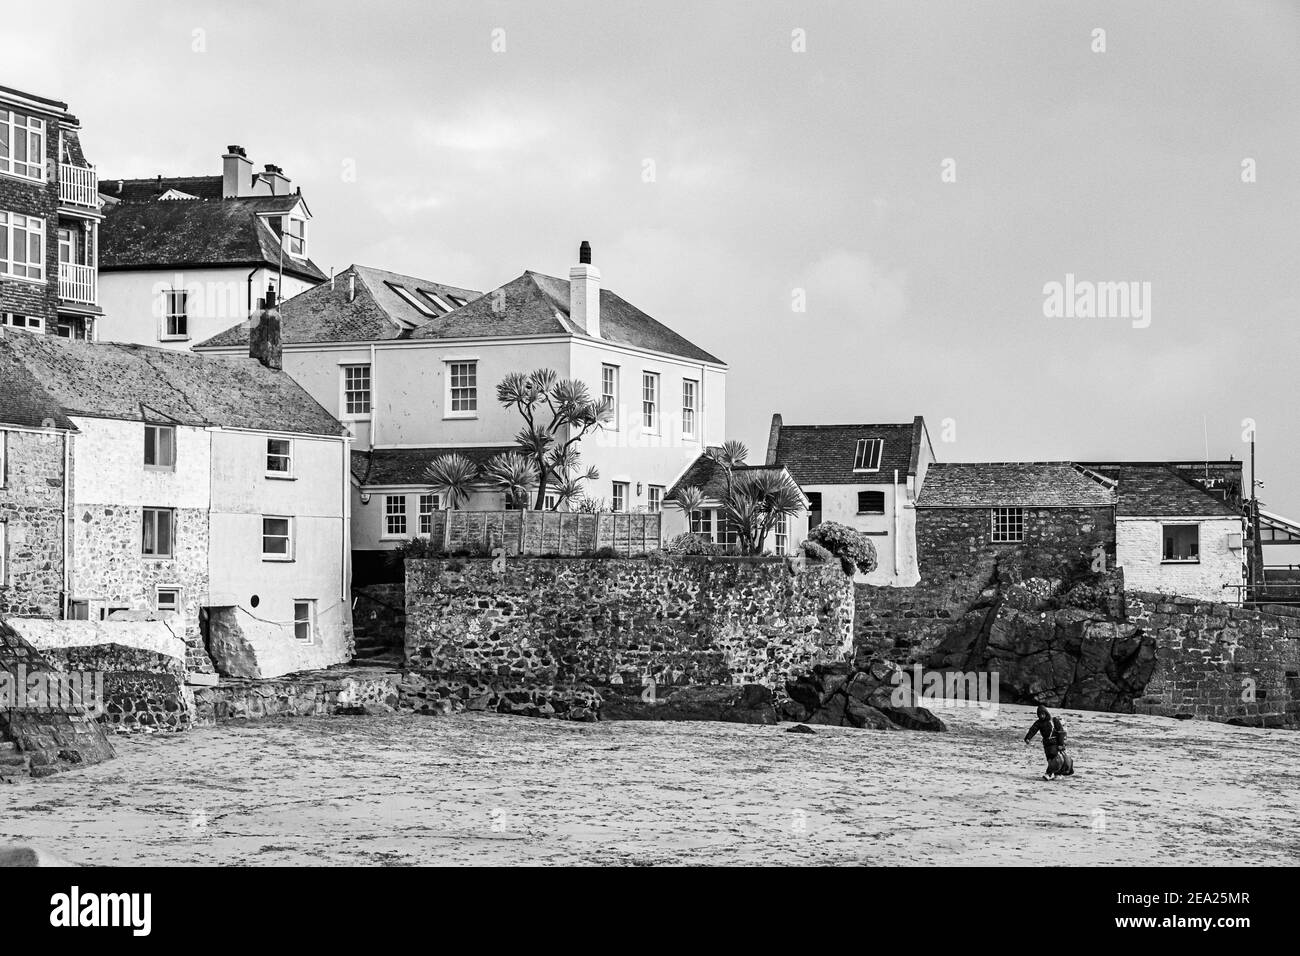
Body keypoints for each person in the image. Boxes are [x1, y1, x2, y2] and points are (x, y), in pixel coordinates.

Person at [1023, 705, 1074, 780]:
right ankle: (1055, 773)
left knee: (1056, 758)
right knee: (1050, 759)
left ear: (1046, 713)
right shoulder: (1038, 723)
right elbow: (1033, 730)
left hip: (1055, 743)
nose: (1041, 716)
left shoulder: (1054, 720)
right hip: (1047, 744)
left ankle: (1050, 773)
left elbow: (1061, 732)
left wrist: (1061, 744)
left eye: (1043, 714)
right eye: (1040, 714)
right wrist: (1028, 738)